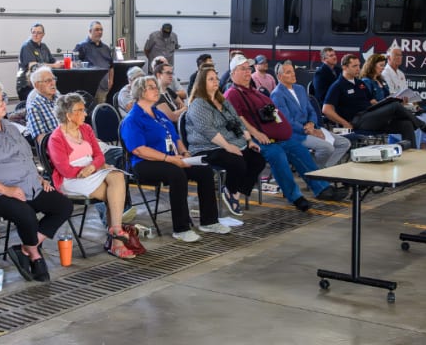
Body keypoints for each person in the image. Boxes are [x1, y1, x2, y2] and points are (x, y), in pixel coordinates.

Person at [0, 78, 72, 282]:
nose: (3, 104)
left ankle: (26, 247)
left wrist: (38, 177)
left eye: (3, 99)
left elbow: (25, 157)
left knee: (63, 206)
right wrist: (7, 190)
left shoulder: (9, 126)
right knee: (26, 214)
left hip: (26, 186)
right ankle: (35, 255)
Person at [225, 54, 346, 211]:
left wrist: (281, 128)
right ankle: (295, 196)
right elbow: (238, 119)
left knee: (300, 151)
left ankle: (322, 188)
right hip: (255, 139)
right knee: (278, 155)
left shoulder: (254, 92)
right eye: (243, 69)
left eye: (248, 69)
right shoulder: (233, 93)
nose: (247, 72)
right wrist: (256, 134)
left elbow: (273, 112)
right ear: (233, 72)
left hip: (276, 136)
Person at [121, 75, 230, 242]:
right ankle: (181, 228)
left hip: (172, 159)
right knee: (176, 173)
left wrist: (185, 154)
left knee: (204, 171)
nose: (156, 90)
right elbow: (139, 150)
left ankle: (209, 221)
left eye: (156, 87)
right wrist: (170, 159)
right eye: (151, 87)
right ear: (140, 92)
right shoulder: (133, 118)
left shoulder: (159, 114)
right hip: (144, 164)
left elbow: (176, 138)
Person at [48, 93, 138, 259]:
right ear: (68, 115)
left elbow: (99, 156)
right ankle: (116, 241)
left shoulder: (86, 129)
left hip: (91, 171)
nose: (85, 114)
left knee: (117, 177)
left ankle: (116, 231)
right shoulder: (56, 138)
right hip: (72, 179)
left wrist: (93, 167)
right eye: (80, 110)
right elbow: (65, 170)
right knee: (114, 194)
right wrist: (93, 167)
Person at [186, 66, 266, 217]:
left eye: (216, 78)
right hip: (206, 147)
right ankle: (231, 190)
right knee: (237, 161)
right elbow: (208, 130)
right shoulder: (198, 104)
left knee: (258, 160)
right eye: (211, 79)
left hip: (231, 143)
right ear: (202, 83)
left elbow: (238, 121)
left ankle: (234, 193)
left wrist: (249, 140)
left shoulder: (222, 101)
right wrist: (228, 146)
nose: (216, 81)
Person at [323, 54, 426, 148]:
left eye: (359, 65)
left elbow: (372, 101)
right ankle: (425, 127)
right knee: (395, 106)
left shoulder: (360, 83)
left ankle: (411, 157)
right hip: (357, 121)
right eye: (354, 66)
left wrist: (386, 103)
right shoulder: (338, 86)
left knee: (406, 124)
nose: (358, 69)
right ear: (344, 67)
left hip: (371, 115)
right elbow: (326, 110)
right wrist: (344, 123)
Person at [26, 66, 127, 172]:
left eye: (53, 79)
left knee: (122, 153)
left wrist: (91, 139)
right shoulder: (35, 107)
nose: (53, 83)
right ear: (37, 85)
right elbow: (42, 141)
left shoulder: (60, 99)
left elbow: (79, 124)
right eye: (48, 81)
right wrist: (74, 144)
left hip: (83, 142)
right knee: (121, 160)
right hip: (70, 151)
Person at [271, 61, 350, 169]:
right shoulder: (277, 95)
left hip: (311, 128)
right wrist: (308, 130)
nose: (293, 74)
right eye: (288, 72)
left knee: (344, 143)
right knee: (327, 148)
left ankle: (319, 171)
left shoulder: (300, 89)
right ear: (280, 76)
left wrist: (312, 124)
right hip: (295, 134)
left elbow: (311, 111)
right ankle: (316, 173)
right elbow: (287, 121)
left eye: (293, 71)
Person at [381, 46, 426, 148]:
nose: (399, 57)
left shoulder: (400, 73)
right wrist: (411, 105)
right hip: (399, 106)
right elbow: (393, 95)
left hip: (408, 104)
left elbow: (406, 92)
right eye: (396, 55)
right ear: (388, 57)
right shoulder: (385, 73)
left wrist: (414, 102)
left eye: (400, 55)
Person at [16, 23, 61, 101]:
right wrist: (54, 65)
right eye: (33, 32)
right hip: (27, 86)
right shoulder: (27, 46)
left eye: (38, 33)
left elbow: (53, 61)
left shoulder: (44, 47)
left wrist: (61, 63)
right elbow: (33, 66)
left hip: (42, 84)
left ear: (43, 34)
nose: (35, 35)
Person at [73, 20, 114, 103]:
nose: (99, 32)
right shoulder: (81, 46)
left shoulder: (106, 48)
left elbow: (111, 66)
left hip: (103, 87)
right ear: (90, 31)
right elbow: (74, 63)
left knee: (99, 111)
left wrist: (111, 81)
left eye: (101, 30)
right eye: (97, 29)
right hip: (88, 88)